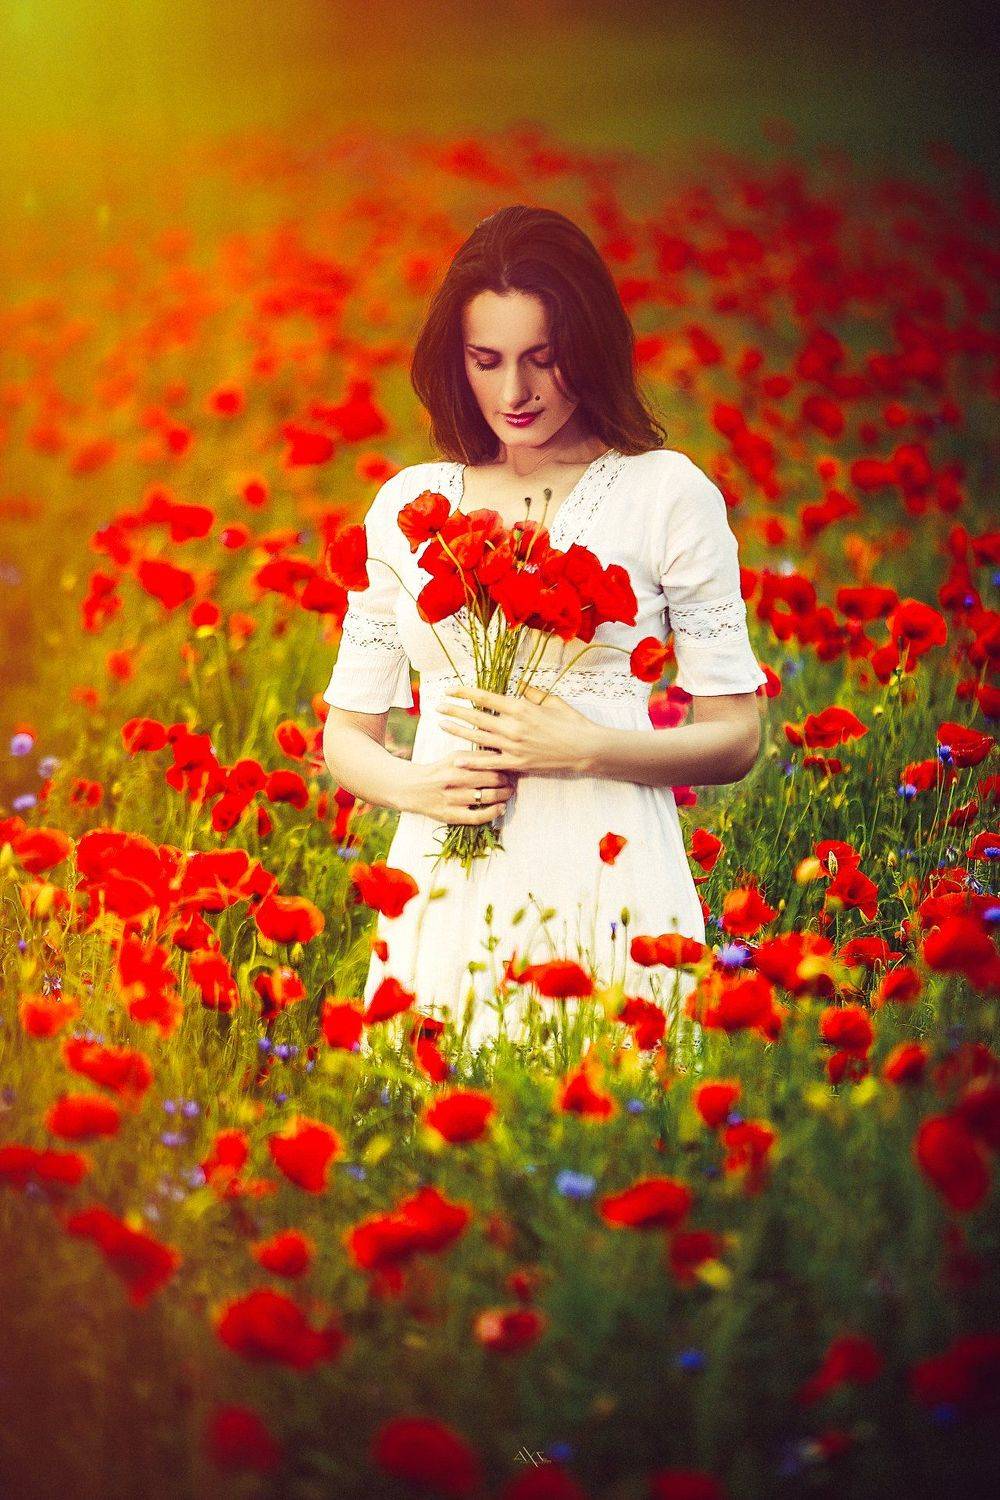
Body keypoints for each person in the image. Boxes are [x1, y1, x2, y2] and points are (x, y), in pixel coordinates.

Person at [321, 205, 767, 1054]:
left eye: (543, 357)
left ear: (589, 348)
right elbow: (347, 734)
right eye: (486, 360)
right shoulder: (410, 505)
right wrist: (418, 789)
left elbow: (738, 736)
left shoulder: (665, 493)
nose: (513, 393)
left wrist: (585, 747)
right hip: (440, 874)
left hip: (608, 874)